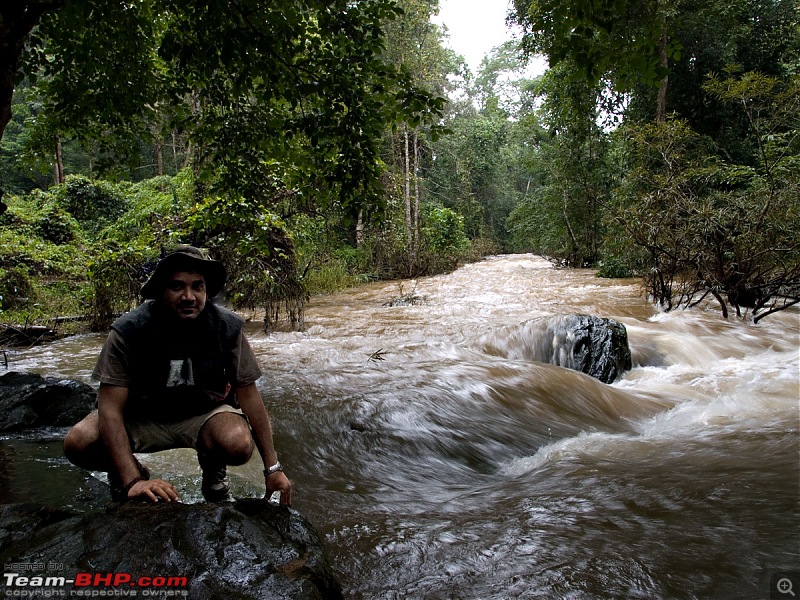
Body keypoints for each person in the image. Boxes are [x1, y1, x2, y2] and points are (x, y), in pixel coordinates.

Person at [64, 245, 292, 506]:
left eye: (198, 286)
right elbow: (110, 408)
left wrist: (272, 468)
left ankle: (214, 474)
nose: (189, 296)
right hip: (140, 416)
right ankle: (127, 472)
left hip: (204, 415)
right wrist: (132, 481)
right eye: (177, 286)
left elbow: (249, 396)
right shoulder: (129, 331)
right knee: (78, 442)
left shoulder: (226, 327)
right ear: (161, 290)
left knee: (237, 443)